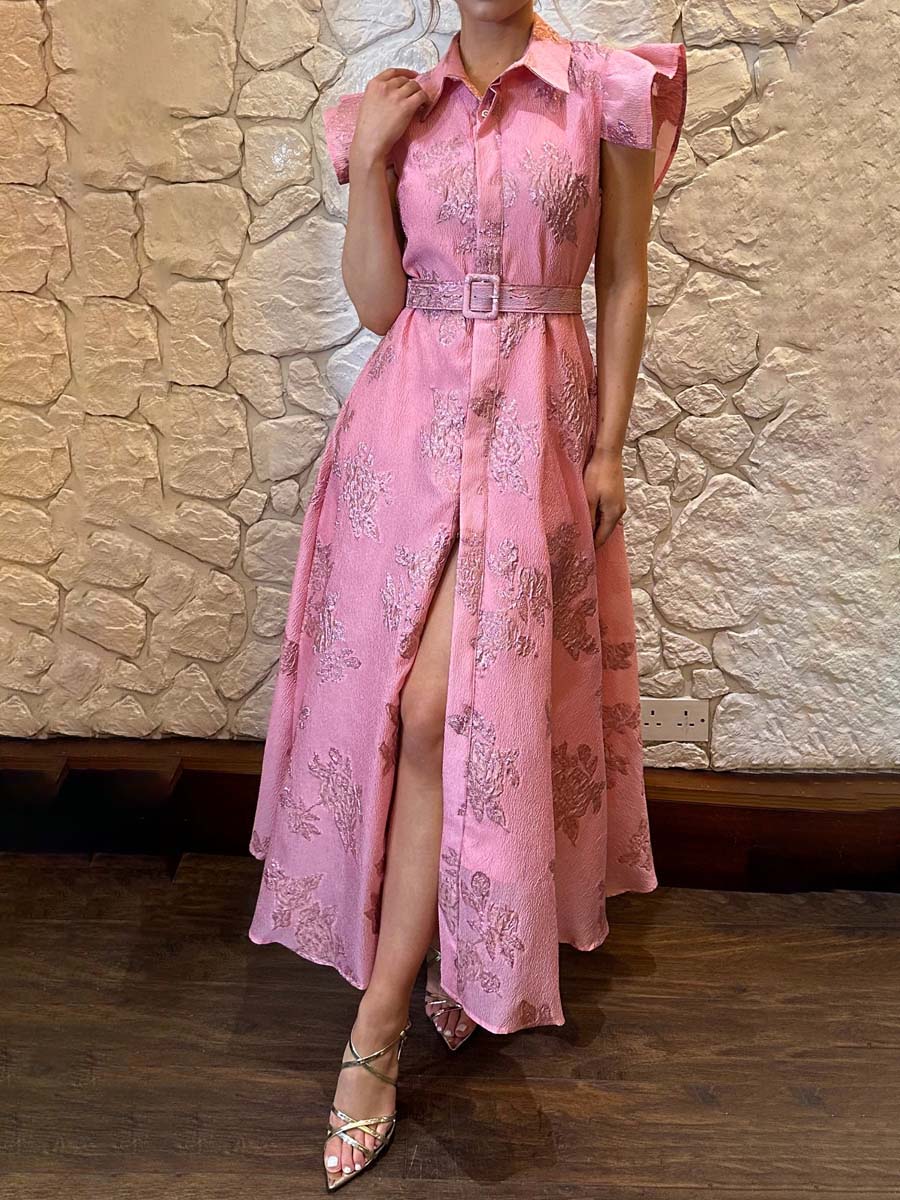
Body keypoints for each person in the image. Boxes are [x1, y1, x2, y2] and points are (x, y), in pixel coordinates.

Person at [245, 1, 687, 1189]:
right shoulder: (394, 108)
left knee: (452, 709)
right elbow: (379, 308)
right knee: (406, 713)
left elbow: (624, 275)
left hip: (536, 435)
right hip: (404, 439)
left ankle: (375, 1031)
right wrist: (371, 160)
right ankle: (431, 959)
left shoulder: (606, 91)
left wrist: (609, 446)